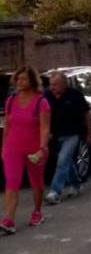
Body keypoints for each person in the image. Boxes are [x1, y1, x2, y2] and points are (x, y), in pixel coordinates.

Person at [0, 67, 51, 234]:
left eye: (24, 79)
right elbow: (7, 125)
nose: (20, 82)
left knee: (36, 183)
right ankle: (8, 219)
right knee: (12, 182)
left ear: (32, 81)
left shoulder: (41, 102)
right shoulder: (10, 101)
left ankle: (37, 212)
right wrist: (3, 146)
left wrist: (42, 148)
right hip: (12, 148)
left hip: (34, 149)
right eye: (18, 79)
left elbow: (45, 128)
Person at [44, 71, 91, 204]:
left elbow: (87, 114)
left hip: (72, 134)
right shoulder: (46, 96)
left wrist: (90, 132)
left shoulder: (75, 95)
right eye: (50, 84)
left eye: (54, 85)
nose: (51, 87)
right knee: (67, 161)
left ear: (63, 85)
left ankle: (55, 192)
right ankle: (77, 184)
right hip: (54, 135)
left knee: (62, 160)